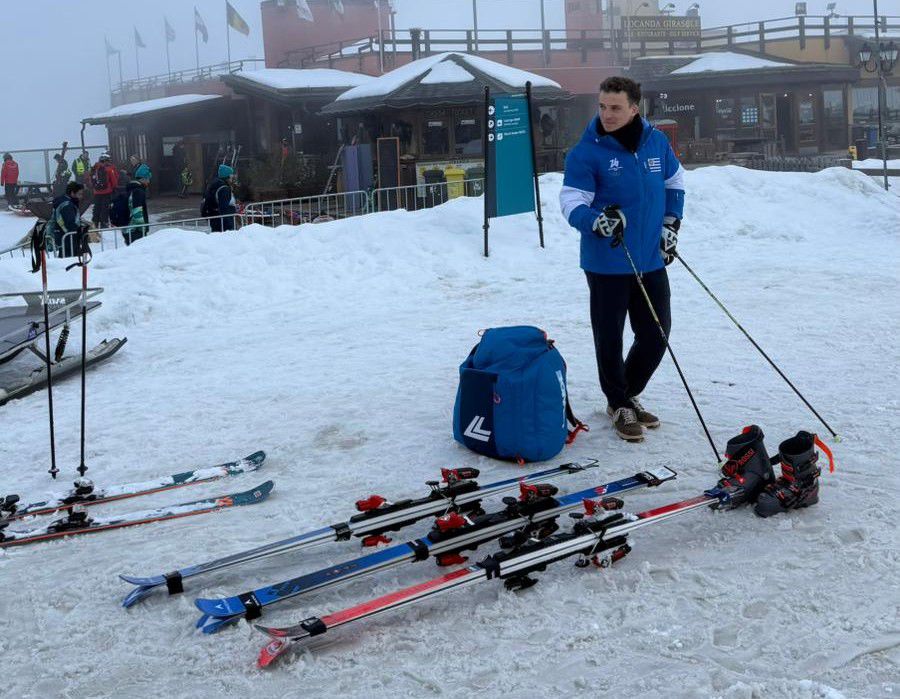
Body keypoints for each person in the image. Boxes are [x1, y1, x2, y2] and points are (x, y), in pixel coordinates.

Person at [559, 76, 685, 442]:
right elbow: (571, 202)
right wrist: (595, 220)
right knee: (610, 337)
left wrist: (670, 225)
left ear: (634, 108)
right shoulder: (586, 152)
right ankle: (619, 402)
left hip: (649, 258)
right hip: (607, 261)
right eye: (602, 106)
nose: (607, 114)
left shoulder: (656, 143)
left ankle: (625, 395)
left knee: (656, 334)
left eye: (615, 107)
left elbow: (675, 184)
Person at [48, 181, 89, 258]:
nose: (81, 197)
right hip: (67, 236)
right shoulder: (67, 205)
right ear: (72, 193)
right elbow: (70, 222)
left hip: (63, 235)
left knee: (64, 257)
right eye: (79, 194)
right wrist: (78, 230)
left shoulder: (63, 201)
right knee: (70, 259)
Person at [203, 164, 237, 232]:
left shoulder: (214, 185)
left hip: (214, 218)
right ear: (227, 176)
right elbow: (224, 209)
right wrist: (230, 227)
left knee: (216, 238)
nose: (232, 178)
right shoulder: (224, 189)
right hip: (223, 222)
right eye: (231, 176)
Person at [89, 152, 119, 228]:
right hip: (107, 191)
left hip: (96, 192)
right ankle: (104, 223)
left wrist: (94, 187)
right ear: (106, 160)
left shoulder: (94, 168)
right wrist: (114, 188)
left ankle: (95, 222)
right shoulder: (109, 169)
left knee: (97, 207)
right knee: (105, 208)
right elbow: (114, 181)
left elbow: (90, 180)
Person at [124, 163, 151, 246]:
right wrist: (142, 228)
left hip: (128, 228)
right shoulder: (138, 191)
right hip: (136, 230)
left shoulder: (131, 189)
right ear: (143, 179)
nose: (149, 181)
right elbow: (137, 211)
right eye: (148, 179)